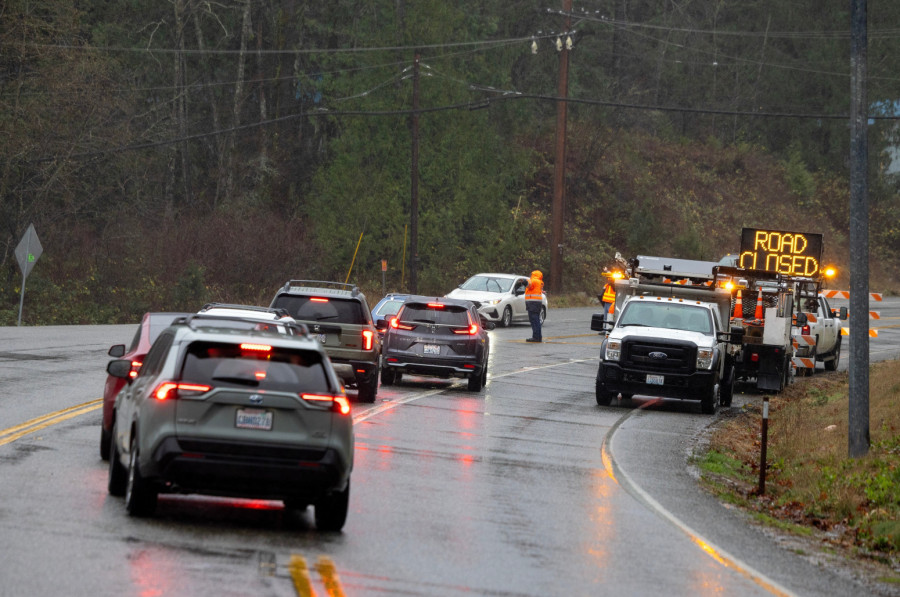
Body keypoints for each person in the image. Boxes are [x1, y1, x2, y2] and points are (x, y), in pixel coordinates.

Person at [524, 270, 544, 342]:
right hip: (537, 302)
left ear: (533, 275)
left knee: (534, 320)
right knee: (536, 320)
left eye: (531, 274)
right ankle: (538, 336)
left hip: (533, 303)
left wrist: (524, 282)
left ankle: (536, 337)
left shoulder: (533, 280)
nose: (530, 275)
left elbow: (528, 284)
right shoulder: (540, 281)